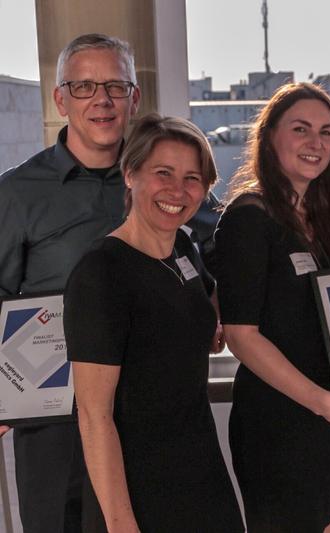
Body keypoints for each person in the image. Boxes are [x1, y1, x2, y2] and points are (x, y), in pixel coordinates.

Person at [64, 114, 243, 532]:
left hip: (201, 469)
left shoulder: (182, 246)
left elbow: (193, 310)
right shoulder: (102, 272)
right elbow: (94, 415)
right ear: (130, 173)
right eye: (163, 173)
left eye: (192, 178)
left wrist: (206, 329)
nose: (178, 191)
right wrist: (121, 522)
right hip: (137, 487)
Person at [214, 82, 330, 533]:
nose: (316, 143)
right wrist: (322, 402)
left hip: (325, 415)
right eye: (301, 129)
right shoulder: (249, 217)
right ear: (270, 138)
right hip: (278, 421)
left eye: (327, 132)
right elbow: (242, 337)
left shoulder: (320, 221)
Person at [0, 33, 139, 532]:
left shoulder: (162, 180)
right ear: (60, 99)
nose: (101, 100)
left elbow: (216, 256)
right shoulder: (17, 193)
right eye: (83, 87)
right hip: (55, 420)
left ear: (134, 98)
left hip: (149, 412)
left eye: (115, 87)